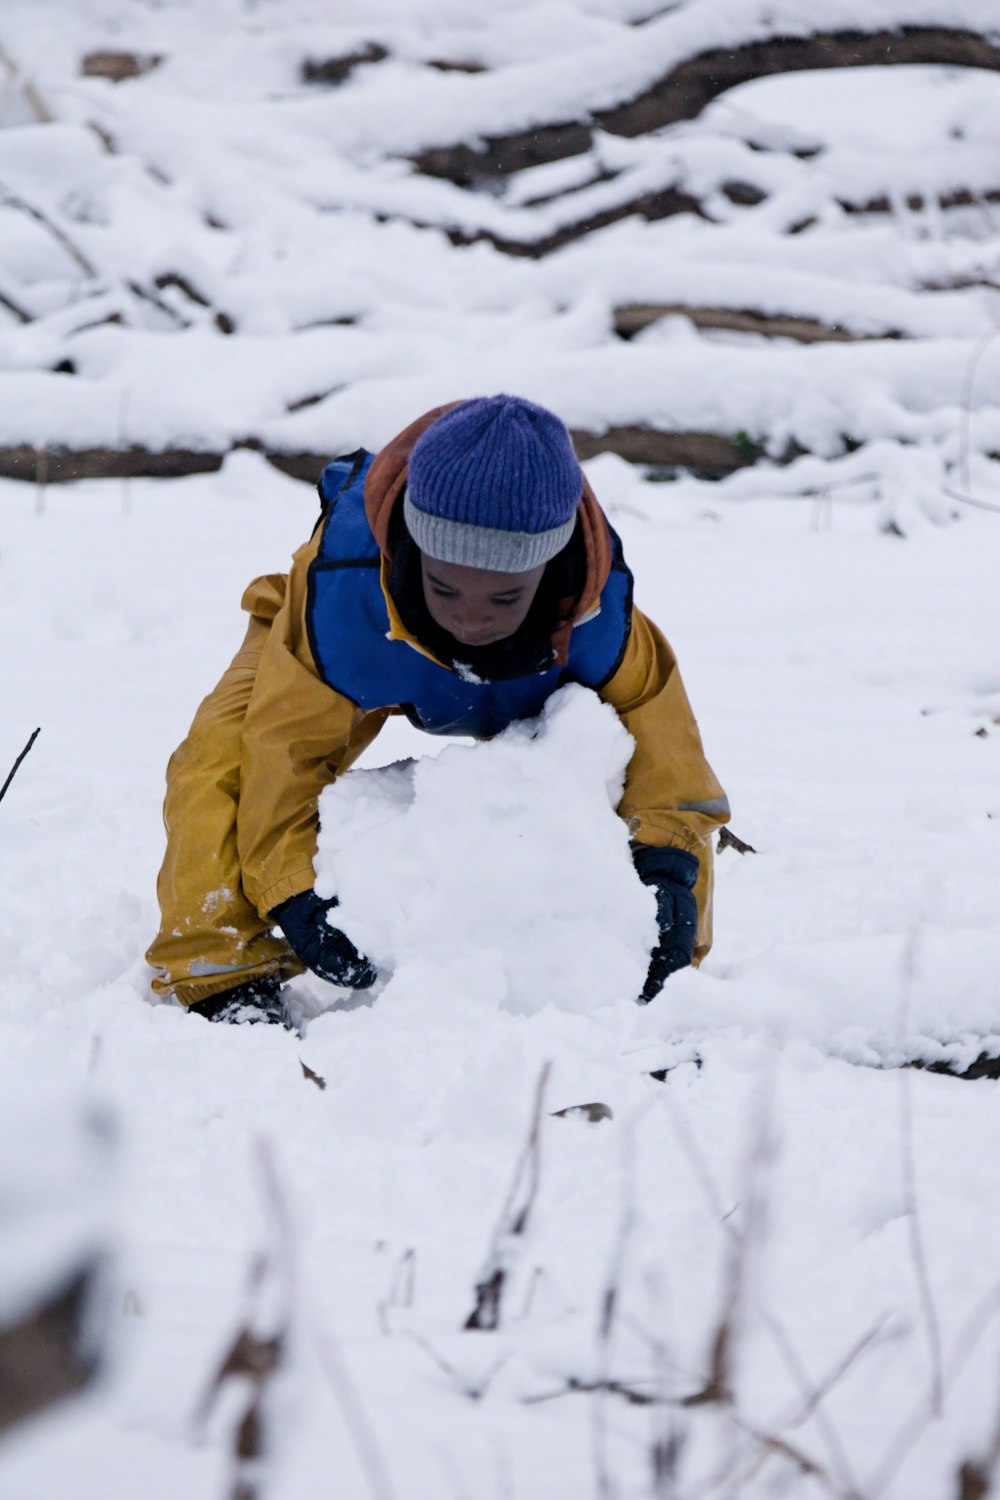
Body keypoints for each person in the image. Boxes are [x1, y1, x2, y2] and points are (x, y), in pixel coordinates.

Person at [146, 395, 730, 1025]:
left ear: (549, 566)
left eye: (503, 595)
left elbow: (668, 767)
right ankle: (221, 972)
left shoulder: (592, 613)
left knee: (647, 814)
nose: (470, 616)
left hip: (534, 670)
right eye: (445, 586)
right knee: (218, 759)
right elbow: (284, 755)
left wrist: (668, 875)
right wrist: (293, 892)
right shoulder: (341, 596)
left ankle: (646, 981)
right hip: (372, 639)